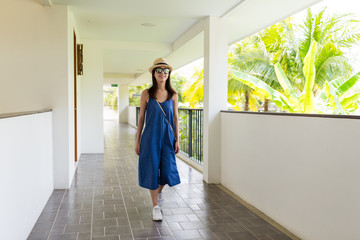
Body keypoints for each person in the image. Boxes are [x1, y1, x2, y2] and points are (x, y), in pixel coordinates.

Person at [135, 57, 181, 221]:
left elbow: (175, 118)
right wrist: (138, 140)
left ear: (168, 74)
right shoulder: (147, 93)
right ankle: (155, 206)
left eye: (165, 71)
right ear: (154, 74)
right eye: (159, 70)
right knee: (152, 169)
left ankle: (158, 191)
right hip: (150, 138)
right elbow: (141, 119)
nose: (162, 73)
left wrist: (177, 139)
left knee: (168, 170)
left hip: (168, 138)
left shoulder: (173, 94)